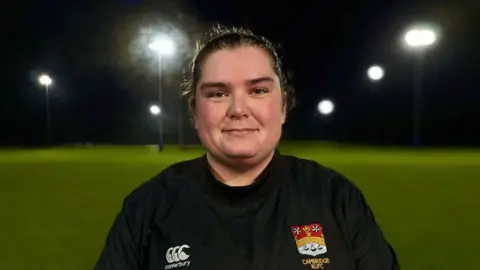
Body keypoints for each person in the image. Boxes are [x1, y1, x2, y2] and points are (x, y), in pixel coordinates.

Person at [95, 24, 400, 270]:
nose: (238, 109)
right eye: (217, 94)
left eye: (257, 90)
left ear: (282, 107)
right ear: (194, 113)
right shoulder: (148, 207)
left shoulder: (336, 198)